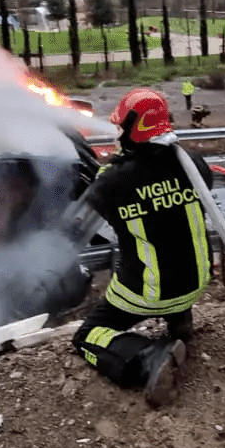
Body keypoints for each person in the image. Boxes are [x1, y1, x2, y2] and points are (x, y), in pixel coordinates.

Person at [72, 88, 215, 408]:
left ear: (133, 129)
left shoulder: (113, 180)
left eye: (120, 126)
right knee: (172, 238)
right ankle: (179, 322)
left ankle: (149, 357)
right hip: (196, 283)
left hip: (148, 294)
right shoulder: (193, 163)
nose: (117, 132)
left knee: (87, 336)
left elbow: (79, 225)